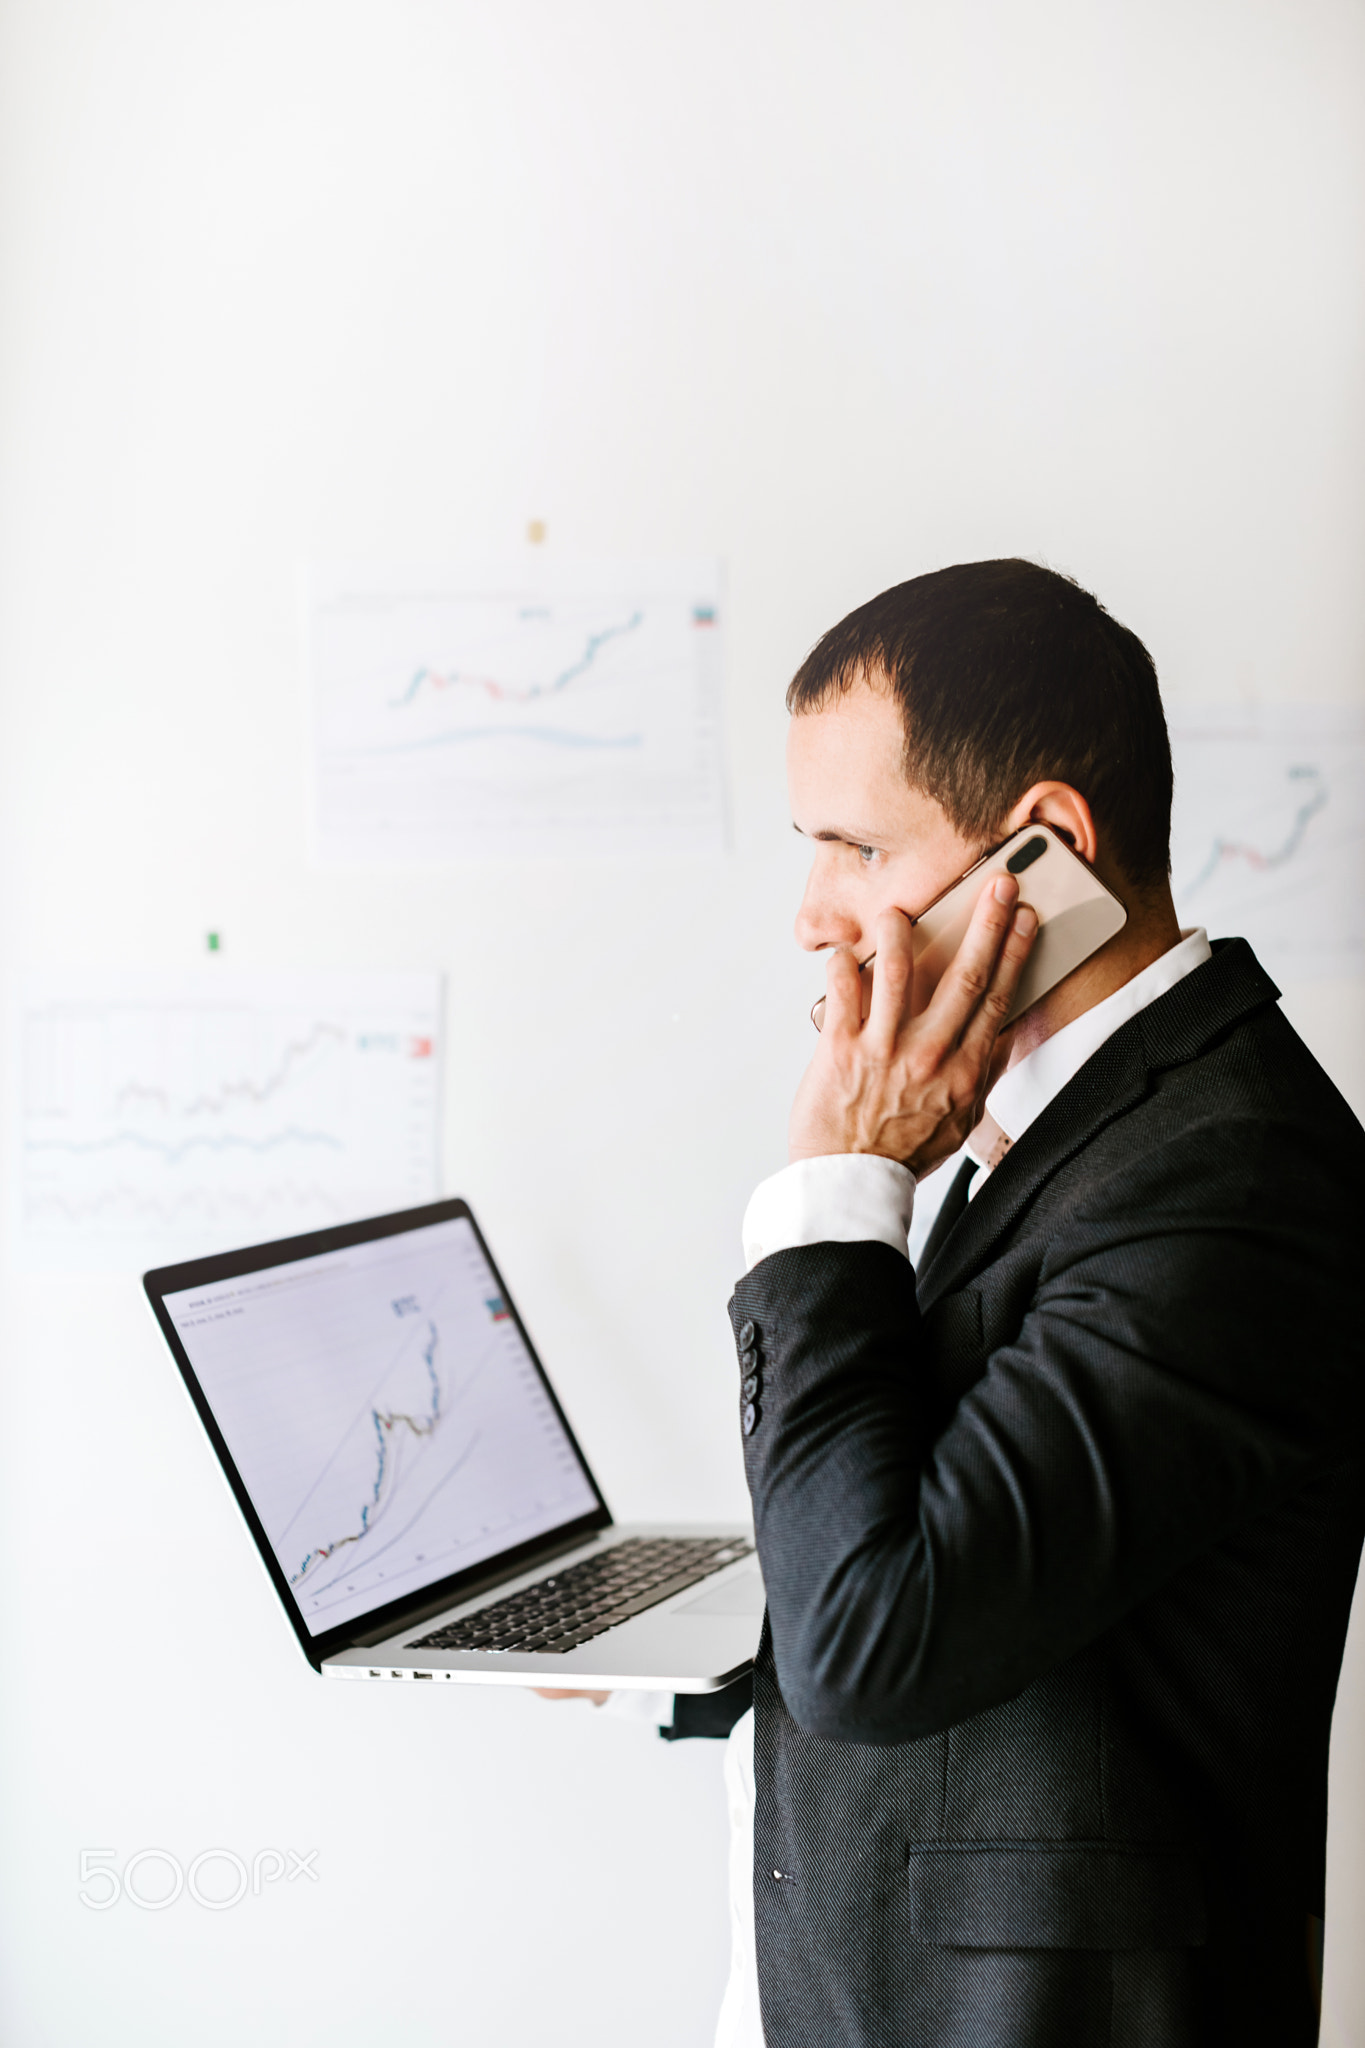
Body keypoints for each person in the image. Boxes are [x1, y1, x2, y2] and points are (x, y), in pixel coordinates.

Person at [557, 558, 1365, 2047]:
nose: (812, 915)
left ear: (1042, 848)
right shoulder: (1065, 1126)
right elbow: (970, 1562)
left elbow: (883, 1646)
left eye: (851, 846)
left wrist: (839, 1185)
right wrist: (669, 1658)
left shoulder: (1230, 1180)